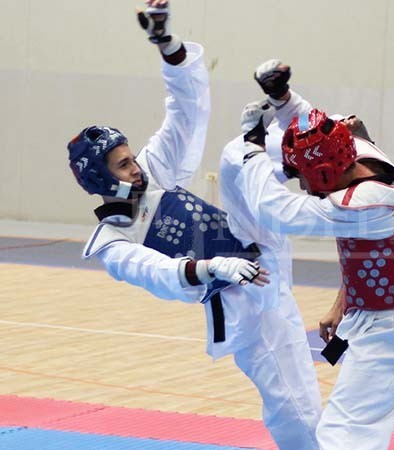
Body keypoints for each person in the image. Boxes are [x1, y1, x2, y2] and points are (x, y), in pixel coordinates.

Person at [67, 4, 322, 448]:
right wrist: (213, 268)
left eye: (131, 158)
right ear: (99, 179)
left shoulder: (153, 173)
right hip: (243, 301)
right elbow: (158, 274)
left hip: (258, 243)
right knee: (295, 408)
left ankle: (299, 137)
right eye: (123, 165)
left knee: (237, 156)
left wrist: (167, 45)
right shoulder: (111, 243)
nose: (136, 168)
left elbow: (186, 111)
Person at [223, 105, 394, 450]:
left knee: (344, 435)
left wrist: (252, 147)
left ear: (324, 173)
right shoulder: (364, 156)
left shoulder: (363, 205)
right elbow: (321, 126)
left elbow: (273, 211)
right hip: (385, 316)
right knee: (357, 431)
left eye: (302, 176)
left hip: (391, 330)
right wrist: (283, 99)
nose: (302, 184)